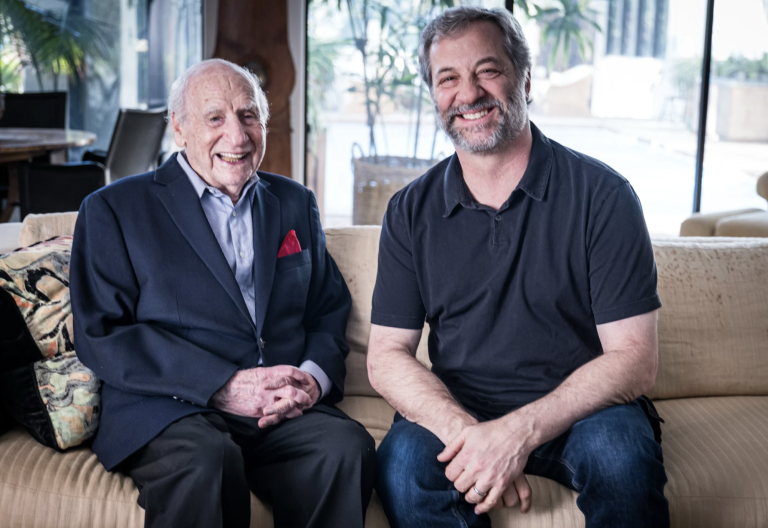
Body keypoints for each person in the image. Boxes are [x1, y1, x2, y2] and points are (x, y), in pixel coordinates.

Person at [368, 7, 670, 528]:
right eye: (448, 79)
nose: (468, 94)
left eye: (488, 70)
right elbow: (386, 356)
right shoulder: (409, 211)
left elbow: (635, 360)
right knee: (402, 467)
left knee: (623, 458)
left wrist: (515, 434)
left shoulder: (604, 197)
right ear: (435, 95)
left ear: (525, 80)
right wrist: (469, 435)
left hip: (581, 410)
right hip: (462, 406)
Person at [70, 58, 376, 528]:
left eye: (249, 115)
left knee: (344, 448)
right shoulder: (113, 208)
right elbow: (102, 334)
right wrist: (222, 386)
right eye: (215, 118)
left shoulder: (295, 202)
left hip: (277, 410)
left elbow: (327, 309)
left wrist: (311, 380)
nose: (237, 136)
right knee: (206, 459)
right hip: (170, 408)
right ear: (180, 128)